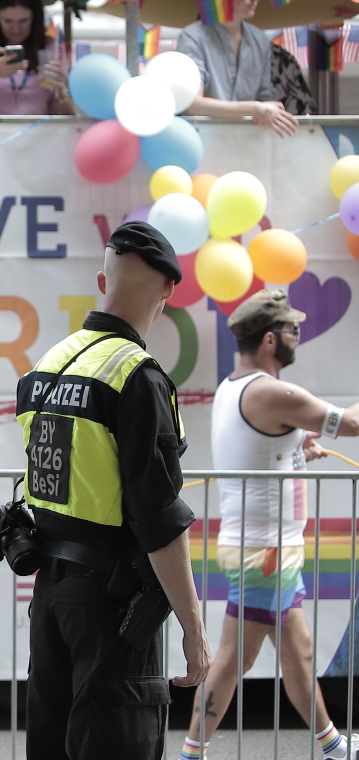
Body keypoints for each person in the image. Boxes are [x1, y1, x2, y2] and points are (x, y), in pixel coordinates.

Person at [17, 221, 211, 758]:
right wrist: (193, 629)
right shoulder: (137, 376)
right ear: (170, 290)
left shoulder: (46, 367)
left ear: (103, 281)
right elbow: (158, 517)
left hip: (51, 598)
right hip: (114, 607)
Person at [179, 289, 359, 760]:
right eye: (292, 329)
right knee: (234, 660)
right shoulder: (272, 391)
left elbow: (262, 451)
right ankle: (190, 754)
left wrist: (297, 451)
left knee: (297, 654)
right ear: (270, 341)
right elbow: (353, 424)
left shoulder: (234, 388)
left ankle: (333, 746)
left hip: (265, 550)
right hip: (265, 553)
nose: (299, 335)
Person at [178, 0, 299, 138]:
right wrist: (255, 109)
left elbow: (265, 98)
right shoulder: (192, 37)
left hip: (248, 140)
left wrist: (263, 110)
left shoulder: (259, 39)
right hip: (203, 139)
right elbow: (193, 105)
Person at [0, 0, 72, 115]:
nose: (16, 28)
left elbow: (63, 115)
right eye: (8, 21)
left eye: (23, 21)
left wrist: (61, 91)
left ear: (34, 18)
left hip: (38, 131)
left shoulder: (50, 47)